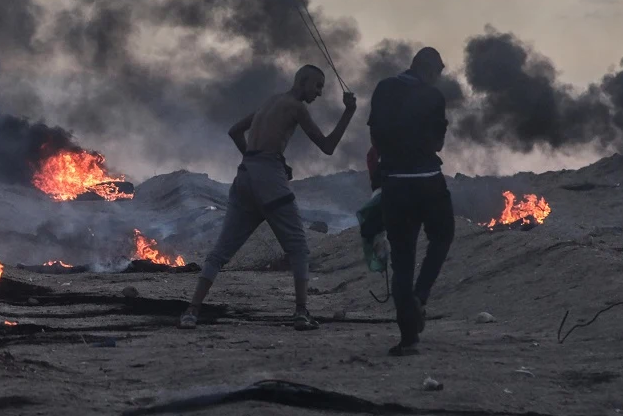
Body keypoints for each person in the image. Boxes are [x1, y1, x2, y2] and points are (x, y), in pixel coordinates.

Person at [179, 65, 356, 331]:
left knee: (219, 253)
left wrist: (256, 158)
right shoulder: (297, 107)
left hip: (244, 179)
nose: (319, 93)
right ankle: (301, 312)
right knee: (299, 249)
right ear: (302, 81)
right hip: (270, 184)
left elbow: (234, 131)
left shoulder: (270, 102)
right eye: (317, 86)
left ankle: (191, 312)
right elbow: (328, 147)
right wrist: (349, 112)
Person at [368, 48, 452, 356]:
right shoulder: (433, 97)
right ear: (429, 70)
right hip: (428, 179)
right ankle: (421, 295)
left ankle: (408, 339)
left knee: (402, 261)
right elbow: (437, 143)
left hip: (395, 182)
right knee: (443, 235)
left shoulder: (384, 88)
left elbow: (375, 138)